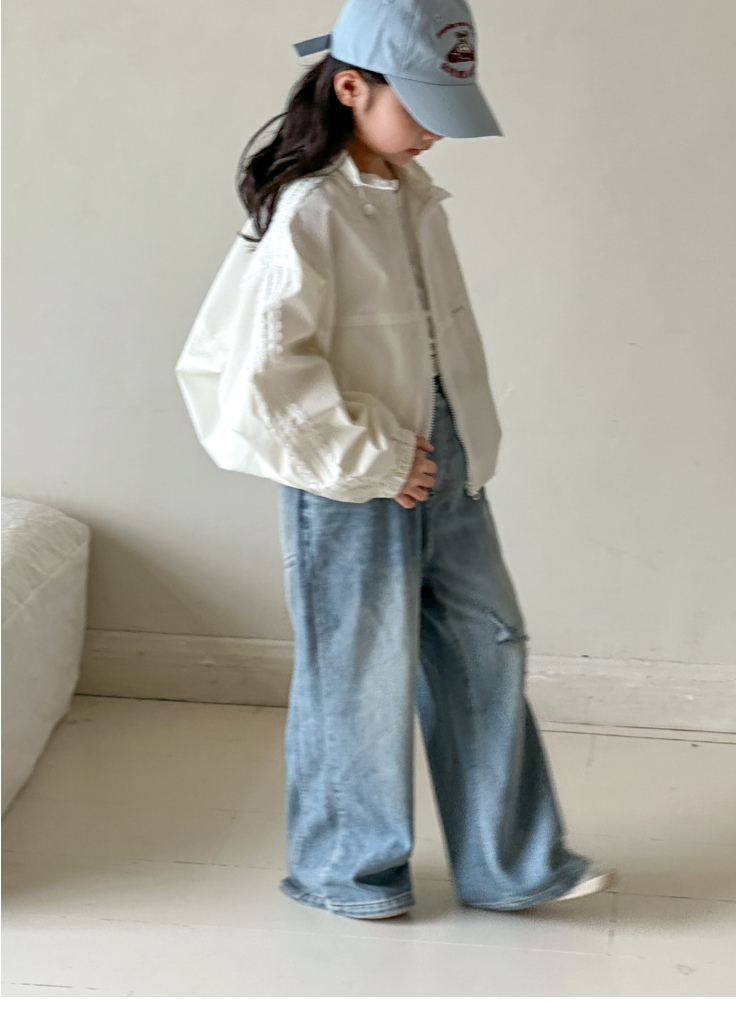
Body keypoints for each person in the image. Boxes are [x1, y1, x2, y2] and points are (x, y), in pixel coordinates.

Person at [176, 0, 619, 920]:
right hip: (353, 469)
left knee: (487, 642)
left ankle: (510, 864)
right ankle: (348, 870)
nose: (434, 131)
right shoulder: (313, 207)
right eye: (420, 105)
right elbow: (263, 372)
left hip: (441, 454)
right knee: (358, 670)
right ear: (351, 87)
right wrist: (373, 455)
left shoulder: (412, 197)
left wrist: (447, 448)